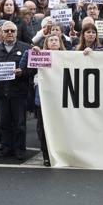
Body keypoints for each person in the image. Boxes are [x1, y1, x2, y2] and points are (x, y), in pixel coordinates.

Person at [0, 21, 31, 160]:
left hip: (18, 92)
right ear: (1, 33)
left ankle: (20, 150)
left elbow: (32, 70)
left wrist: (22, 72)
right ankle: (5, 148)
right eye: (6, 31)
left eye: (12, 31)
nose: (10, 33)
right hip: (0, 93)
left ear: (16, 33)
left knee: (19, 123)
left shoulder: (26, 48)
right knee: (3, 122)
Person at [21, 34, 67, 166]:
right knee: (43, 127)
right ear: (46, 43)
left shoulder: (68, 56)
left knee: (60, 127)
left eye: (56, 40)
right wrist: (30, 53)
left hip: (61, 98)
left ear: (60, 43)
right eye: (50, 40)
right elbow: (24, 68)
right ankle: (46, 155)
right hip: (43, 98)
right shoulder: (40, 55)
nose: (53, 42)